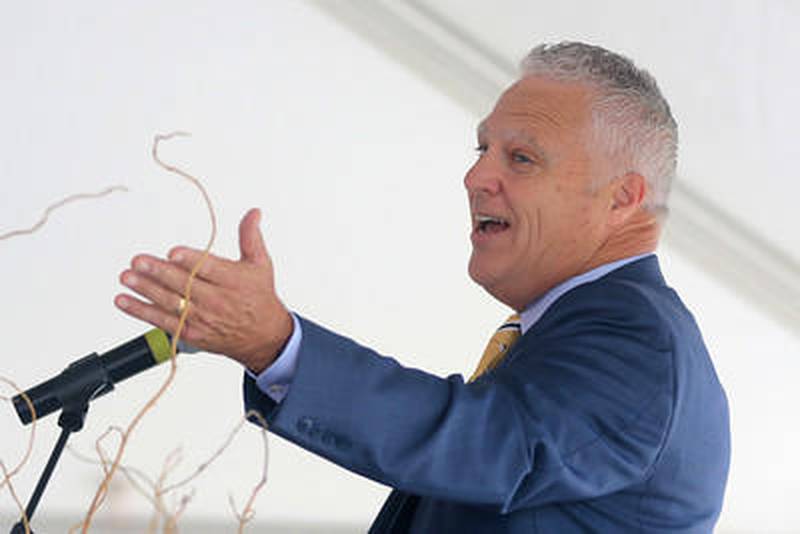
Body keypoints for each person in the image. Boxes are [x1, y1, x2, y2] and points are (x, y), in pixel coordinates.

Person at [115, 42, 730, 532]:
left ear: (623, 198)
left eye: (521, 158)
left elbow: (487, 446)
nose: (475, 175)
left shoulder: (638, 337)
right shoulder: (583, 330)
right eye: (482, 147)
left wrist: (278, 346)